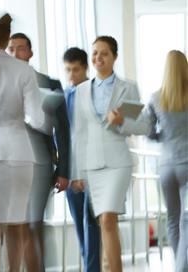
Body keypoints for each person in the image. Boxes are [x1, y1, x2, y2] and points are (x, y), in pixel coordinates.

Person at [0, 14, 49, 272]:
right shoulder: (23, 70)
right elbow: (37, 119)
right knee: (16, 226)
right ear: (7, 38)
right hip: (18, 154)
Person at [71, 36, 150, 272]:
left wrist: (122, 120)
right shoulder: (82, 90)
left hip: (118, 163)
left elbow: (144, 126)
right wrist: (76, 171)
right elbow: (80, 133)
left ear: (114, 57)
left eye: (104, 53)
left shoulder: (129, 87)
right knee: (103, 222)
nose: (98, 58)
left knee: (107, 219)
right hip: (93, 165)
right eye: (95, 53)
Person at [7, 33, 70, 271]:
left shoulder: (49, 84)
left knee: (34, 223)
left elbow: (63, 132)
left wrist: (63, 170)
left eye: (20, 48)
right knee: (15, 226)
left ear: (30, 53)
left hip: (39, 163)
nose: (15, 53)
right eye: (11, 49)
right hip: (9, 163)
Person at [144, 50, 188, 271]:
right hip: (187, 165)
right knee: (186, 221)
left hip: (166, 165)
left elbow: (148, 131)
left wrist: (165, 136)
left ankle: (179, 266)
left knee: (172, 219)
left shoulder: (155, 97)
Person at [62, 47, 101, 272]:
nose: (71, 75)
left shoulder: (96, 92)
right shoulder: (64, 95)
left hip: (93, 167)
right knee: (80, 224)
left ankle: (92, 269)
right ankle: (90, 266)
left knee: (91, 224)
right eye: (68, 70)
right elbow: (62, 135)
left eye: (76, 70)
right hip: (71, 170)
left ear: (85, 68)